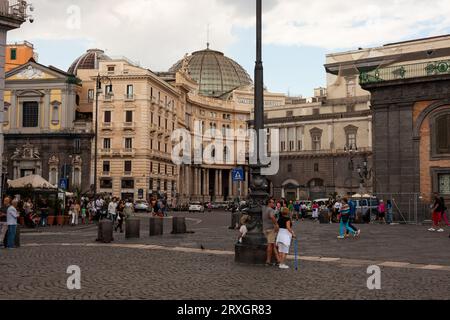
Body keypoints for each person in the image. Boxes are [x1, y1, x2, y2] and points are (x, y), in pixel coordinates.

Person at [263, 198, 280, 267]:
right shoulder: (271, 210)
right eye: (272, 202)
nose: (274, 204)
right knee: (270, 244)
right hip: (271, 229)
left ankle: (278, 260)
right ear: (269, 203)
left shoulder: (264, 209)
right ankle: (268, 261)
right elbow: (272, 217)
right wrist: (276, 224)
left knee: (272, 244)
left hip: (265, 229)